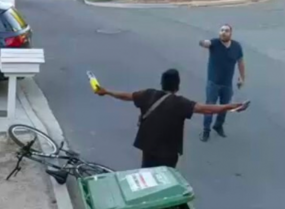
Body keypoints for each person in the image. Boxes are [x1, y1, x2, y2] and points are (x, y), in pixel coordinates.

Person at [95, 69, 247, 168]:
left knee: (147, 176)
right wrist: (230, 106)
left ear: (162, 83)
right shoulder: (180, 103)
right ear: (178, 86)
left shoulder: (148, 94)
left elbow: (126, 96)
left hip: (148, 147)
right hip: (168, 153)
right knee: (165, 182)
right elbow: (206, 108)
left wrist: (106, 91)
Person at [199, 24, 245, 142]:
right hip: (213, 83)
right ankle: (206, 130)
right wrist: (203, 42)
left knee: (224, 107)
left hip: (227, 84)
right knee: (210, 107)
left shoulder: (236, 46)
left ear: (231, 33)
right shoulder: (214, 43)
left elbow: (240, 62)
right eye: (222, 30)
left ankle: (218, 126)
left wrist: (242, 77)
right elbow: (206, 43)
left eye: (226, 30)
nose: (223, 32)